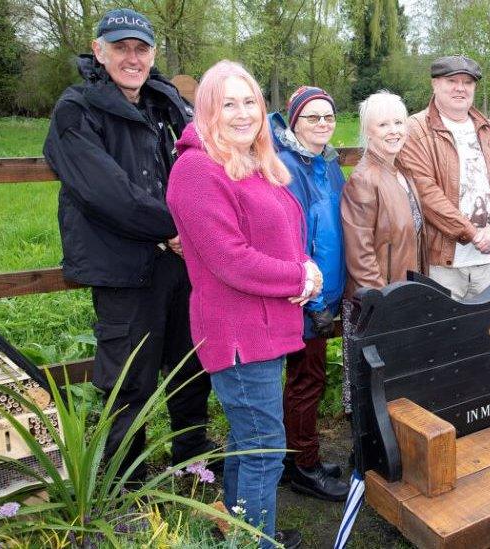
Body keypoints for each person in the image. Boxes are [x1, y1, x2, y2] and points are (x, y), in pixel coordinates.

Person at [42, 7, 213, 481]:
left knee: (190, 366)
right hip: (125, 267)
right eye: (121, 48)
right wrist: (176, 228)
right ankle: (126, 484)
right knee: (127, 380)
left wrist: (198, 226)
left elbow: (204, 163)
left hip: (181, 265)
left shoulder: (167, 103)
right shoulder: (77, 109)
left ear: (153, 54)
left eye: (141, 49)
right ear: (99, 51)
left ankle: (192, 465)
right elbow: (105, 192)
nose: (132, 58)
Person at [166, 60, 313, 549]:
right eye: (228, 103)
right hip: (237, 333)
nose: (243, 112)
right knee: (264, 451)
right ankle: (257, 542)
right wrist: (297, 275)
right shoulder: (196, 169)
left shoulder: (252, 163)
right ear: (207, 110)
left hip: (267, 326)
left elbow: (279, 233)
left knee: (249, 442)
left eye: (250, 100)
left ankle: (238, 534)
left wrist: (305, 267)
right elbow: (230, 260)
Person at [268, 86, 349, 501]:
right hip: (305, 299)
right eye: (312, 117)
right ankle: (304, 466)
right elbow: (293, 240)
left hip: (327, 294)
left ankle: (290, 456)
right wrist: (316, 302)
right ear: (294, 121)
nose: (322, 124)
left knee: (306, 378)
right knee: (307, 379)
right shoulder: (287, 167)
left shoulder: (326, 162)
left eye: (328, 117)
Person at [397, 55, 490, 300]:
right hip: (441, 264)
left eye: (467, 82)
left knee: (482, 332)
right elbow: (425, 193)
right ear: (435, 84)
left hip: (486, 260)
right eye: (452, 80)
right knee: (443, 334)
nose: (460, 88)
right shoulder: (414, 129)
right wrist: (474, 234)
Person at [342, 91, 423, 295]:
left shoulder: (403, 171)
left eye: (398, 122)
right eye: (383, 125)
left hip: (406, 291)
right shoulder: (363, 180)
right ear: (368, 131)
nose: (394, 131)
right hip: (381, 301)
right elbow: (360, 257)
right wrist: (384, 304)